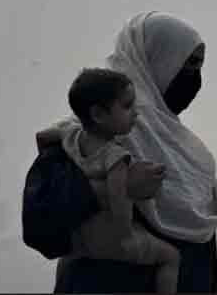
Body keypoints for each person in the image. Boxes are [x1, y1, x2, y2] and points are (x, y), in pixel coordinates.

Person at [33, 11, 217, 293]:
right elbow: (42, 222)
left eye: (199, 65)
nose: (195, 78)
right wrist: (115, 189)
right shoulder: (87, 135)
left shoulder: (181, 146)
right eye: (188, 64)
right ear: (158, 60)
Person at [56, 67, 181, 293]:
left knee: (67, 260)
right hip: (111, 242)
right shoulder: (116, 156)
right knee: (171, 257)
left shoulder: (71, 136)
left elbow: (42, 136)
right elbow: (119, 198)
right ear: (98, 115)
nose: (136, 113)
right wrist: (126, 236)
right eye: (127, 106)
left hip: (79, 237)